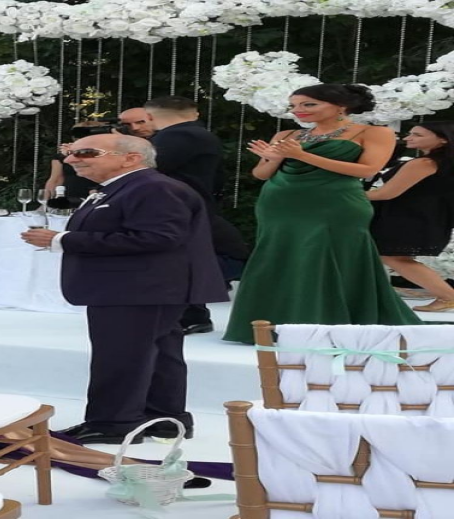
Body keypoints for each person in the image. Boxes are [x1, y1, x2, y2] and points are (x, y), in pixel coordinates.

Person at [21, 134, 228, 443]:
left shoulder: (153, 188)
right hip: (139, 287)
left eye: (86, 152)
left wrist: (63, 240)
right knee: (156, 354)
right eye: (70, 152)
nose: (71, 159)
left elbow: (158, 237)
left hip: (139, 287)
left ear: (131, 158)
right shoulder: (129, 186)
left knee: (120, 357)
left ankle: (113, 423)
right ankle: (163, 419)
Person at [223, 84, 421, 343]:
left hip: (336, 205)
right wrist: (275, 158)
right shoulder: (288, 134)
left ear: (341, 106)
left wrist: (301, 155)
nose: (299, 110)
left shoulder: (374, 132)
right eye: (294, 105)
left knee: (331, 256)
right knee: (278, 256)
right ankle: (273, 324)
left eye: (308, 104)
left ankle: (331, 326)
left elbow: (367, 170)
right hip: (279, 205)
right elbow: (260, 174)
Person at [141, 96, 249, 334]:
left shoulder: (177, 136)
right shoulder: (197, 134)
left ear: (148, 116)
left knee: (178, 261)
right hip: (191, 204)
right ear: (195, 112)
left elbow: (148, 168)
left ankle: (187, 316)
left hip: (175, 207)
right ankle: (191, 314)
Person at [367, 121, 454, 312]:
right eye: (410, 133)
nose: (408, 138)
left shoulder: (425, 163)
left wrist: (345, 195)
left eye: (418, 135)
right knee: (394, 257)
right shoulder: (441, 162)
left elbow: (386, 193)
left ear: (443, 139)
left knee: (393, 257)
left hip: (408, 217)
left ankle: (448, 296)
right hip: (425, 216)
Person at [43, 121, 108, 202]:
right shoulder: (63, 155)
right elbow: (55, 179)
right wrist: (46, 201)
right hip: (69, 197)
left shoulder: (107, 153)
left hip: (99, 195)